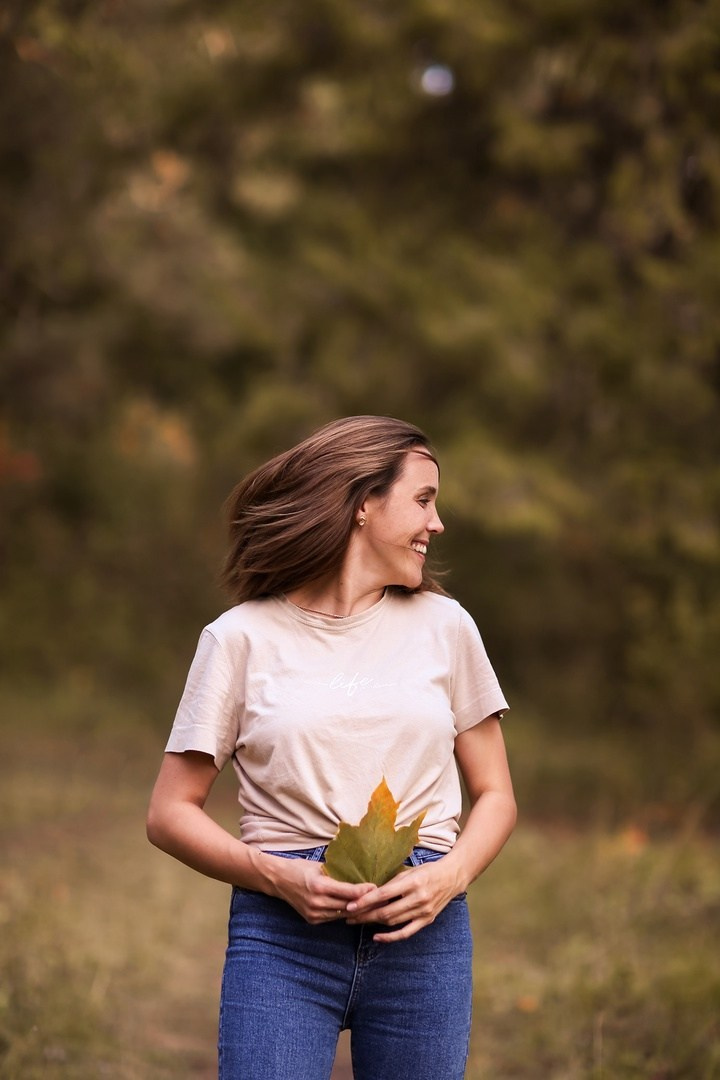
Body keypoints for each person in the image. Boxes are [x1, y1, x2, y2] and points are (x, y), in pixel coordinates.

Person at [147, 415, 516, 1080]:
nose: (437, 525)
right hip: (282, 936)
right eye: (424, 501)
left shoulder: (447, 627)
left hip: (424, 931)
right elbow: (169, 813)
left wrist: (448, 878)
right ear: (363, 504)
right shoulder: (238, 640)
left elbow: (496, 795)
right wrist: (281, 876)